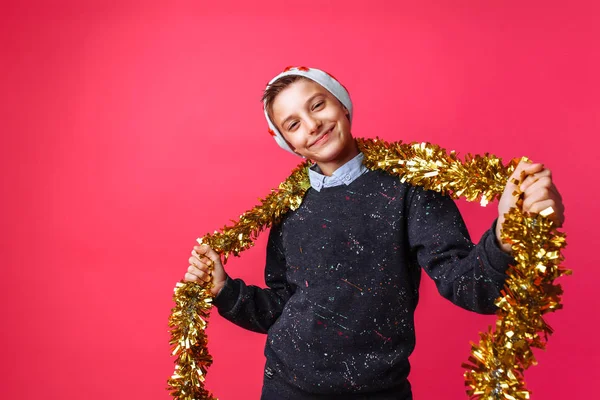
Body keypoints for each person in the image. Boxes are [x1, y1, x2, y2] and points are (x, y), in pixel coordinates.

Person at [184, 67, 565, 399]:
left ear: (342, 105)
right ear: (290, 144)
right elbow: (284, 307)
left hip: (378, 391)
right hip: (286, 386)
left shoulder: (410, 187)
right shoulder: (288, 208)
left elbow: (471, 287)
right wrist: (224, 290)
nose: (312, 125)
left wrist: (507, 234)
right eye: (293, 123)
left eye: (317, 105)